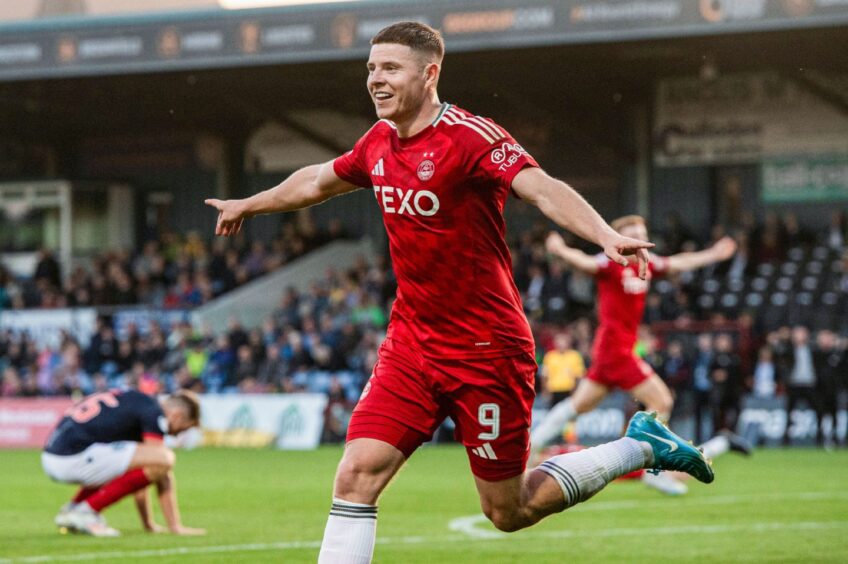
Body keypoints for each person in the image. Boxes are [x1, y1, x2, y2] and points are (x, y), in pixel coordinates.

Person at [205, 21, 713, 563]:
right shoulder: (377, 143)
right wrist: (248, 204)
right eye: (372, 68)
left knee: (508, 510)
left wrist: (605, 234)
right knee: (356, 475)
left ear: (430, 73)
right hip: (412, 345)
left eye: (390, 68)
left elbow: (540, 188)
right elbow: (315, 181)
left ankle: (639, 447)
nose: (376, 79)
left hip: (486, 349)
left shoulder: (471, 137)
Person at [533, 219, 749, 495]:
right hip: (616, 351)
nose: (639, 238)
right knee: (661, 401)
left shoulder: (646, 264)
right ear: (619, 239)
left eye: (643, 234)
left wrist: (713, 254)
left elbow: (678, 263)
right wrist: (561, 250)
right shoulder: (611, 261)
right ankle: (652, 471)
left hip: (613, 351)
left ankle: (531, 444)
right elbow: (584, 262)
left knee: (578, 406)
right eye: (632, 234)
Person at [41, 389, 205, 537]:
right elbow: (160, 466)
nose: (176, 436)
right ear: (177, 415)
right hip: (71, 457)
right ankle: (85, 512)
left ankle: (73, 509)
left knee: (144, 460)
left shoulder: (135, 400)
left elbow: (141, 475)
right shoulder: (154, 412)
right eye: (183, 428)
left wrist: (148, 524)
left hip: (54, 454)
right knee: (165, 458)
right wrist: (174, 526)